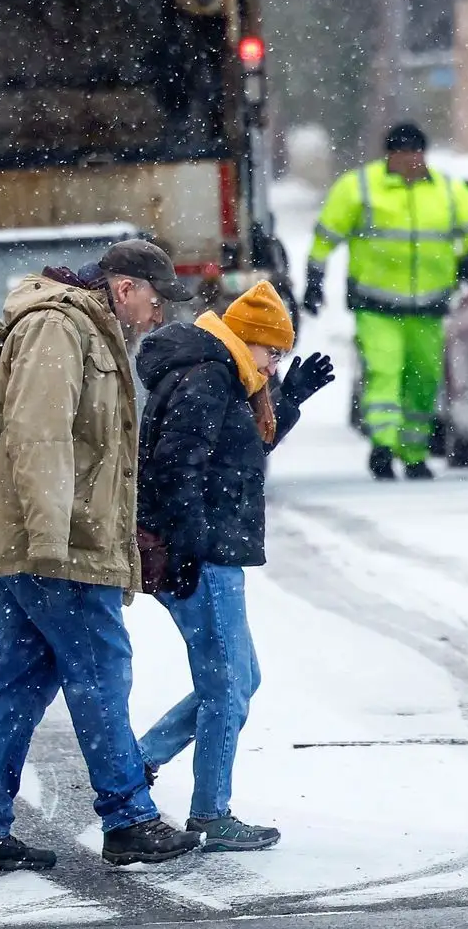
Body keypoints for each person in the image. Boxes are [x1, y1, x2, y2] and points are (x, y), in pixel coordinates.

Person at [0, 240, 206, 872]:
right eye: (153, 298)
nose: (156, 313)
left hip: (43, 541)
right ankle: (128, 818)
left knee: (24, 678)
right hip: (51, 545)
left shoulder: (78, 329)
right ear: (122, 288)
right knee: (100, 671)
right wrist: (49, 540)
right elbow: (41, 436)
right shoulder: (59, 331)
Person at [133, 280, 334, 851]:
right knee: (226, 686)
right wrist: (192, 549)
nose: (273, 366)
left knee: (240, 678)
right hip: (205, 557)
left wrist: (287, 400)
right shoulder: (207, 379)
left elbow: (235, 452)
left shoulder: (221, 375)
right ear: (247, 340)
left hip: (210, 551)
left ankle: (136, 762)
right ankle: (210, 813)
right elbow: (177, 469)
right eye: (272, 354)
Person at [302, 122, 468, 482]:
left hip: (429, 307)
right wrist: (315, 279)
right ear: (390, 155)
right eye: (405, 153)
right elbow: (326, 234)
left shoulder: (447, 191)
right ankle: (383, 446)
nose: (412, 161)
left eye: (418, 153)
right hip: (376, 306)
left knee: (423, 379)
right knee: (384, 372)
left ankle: (415, 454)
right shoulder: (359, 188)